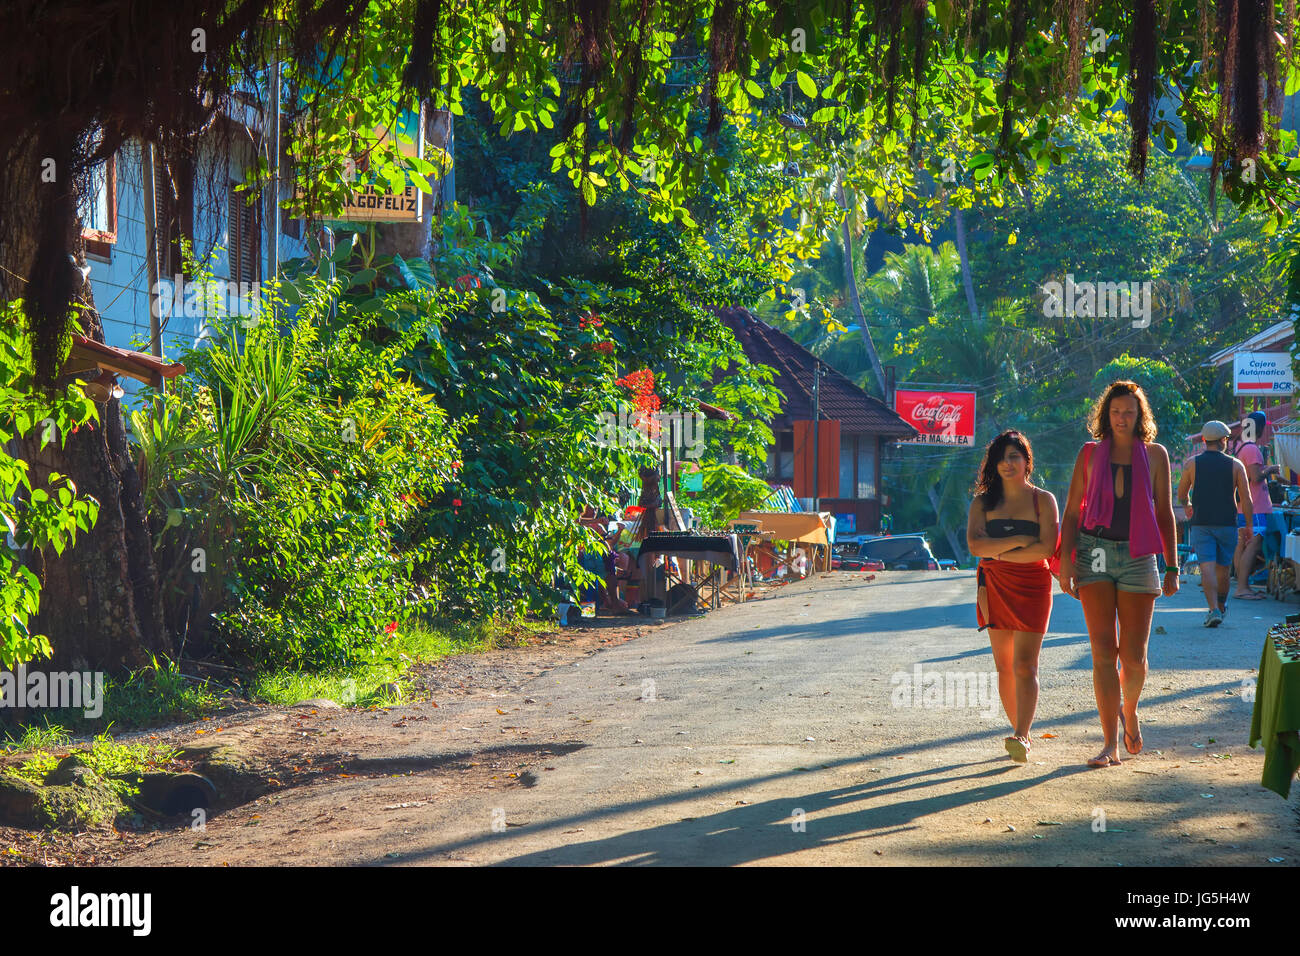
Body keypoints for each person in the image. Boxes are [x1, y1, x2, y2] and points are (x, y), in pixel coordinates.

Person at [1059, 381, 1179, 767]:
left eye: (1129, 412)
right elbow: (1073, 512)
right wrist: (1064, 562)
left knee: (1133, 657)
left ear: (1140, 415)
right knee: (1101, 652)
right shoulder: (1090, 454)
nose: (1122, 418)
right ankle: (1109, 743)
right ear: (1105, 416)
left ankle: (1131, 709)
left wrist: (1173, 567)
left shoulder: (1156, 456)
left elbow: (1165, 514)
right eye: (1115, 412)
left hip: (1140, 553)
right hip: (1094, 551)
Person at [966, 430, 1059, 764]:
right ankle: (1020, 732)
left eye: (1015, 456)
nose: (1008, 463)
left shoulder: (1044, 500)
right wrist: (1020, 540)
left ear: (1027, 462)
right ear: (994, 463)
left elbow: (1046, 549)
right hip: (993, 587)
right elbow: (975, 547)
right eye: (1002, 458)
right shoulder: (982, 503)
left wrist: (998, 551)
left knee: (1025, 664)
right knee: (1004, 666)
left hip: (1034, 584)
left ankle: (1022, 734)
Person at [1177, 421, 1253, 626]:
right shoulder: (1236, 465)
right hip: (1227, 524)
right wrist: (1249, 526)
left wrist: (1187, 505)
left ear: (1204, 440)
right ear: (1224, 441)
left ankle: (1213, 611)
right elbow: (1246, 499)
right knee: (1223, 569)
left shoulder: (1192, 464)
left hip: (1201, 523)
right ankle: (1220, 605)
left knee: (1207, 567)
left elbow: (1181, 494)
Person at [1230, 410, 1281, 600]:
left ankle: (1241, 584)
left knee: (1242, 544)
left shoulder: (1242, 447)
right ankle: (1242, 587)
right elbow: (1256, 477)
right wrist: (1272, 469)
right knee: (1253, 544)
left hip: (1245, 506)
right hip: (1256, 506)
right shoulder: (1251, 449)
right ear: (1259, 428)